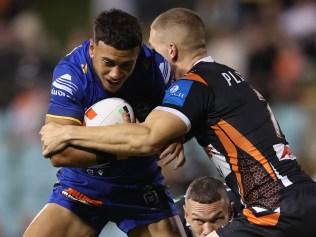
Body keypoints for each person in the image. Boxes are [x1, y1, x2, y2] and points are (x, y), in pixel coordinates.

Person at [40, 8, 316, 237]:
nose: (151, 57)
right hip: (302, 195)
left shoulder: (192, 84)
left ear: (171, 51)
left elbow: (148, 136)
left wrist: (67, 133)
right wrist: (176, 132)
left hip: (272, 209)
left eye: (154, 49)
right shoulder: (229, 76)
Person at [24, 9, 187, 237]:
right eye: (108, 62)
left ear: (138, 53)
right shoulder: (71, 73)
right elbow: (58, 155)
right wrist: (129, 147)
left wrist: (177, 132)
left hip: (140, 185)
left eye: (126, 65)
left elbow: (174, 125)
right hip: (83, 185)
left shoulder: (156, 71)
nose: (115, 74)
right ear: (92, 48)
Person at [176, 176, 242, 237]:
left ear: (231, 212)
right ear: (186, 214)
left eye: (216, 219)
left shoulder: (247, 213)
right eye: (198, 220)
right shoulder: (172, 222)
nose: (208, 231)